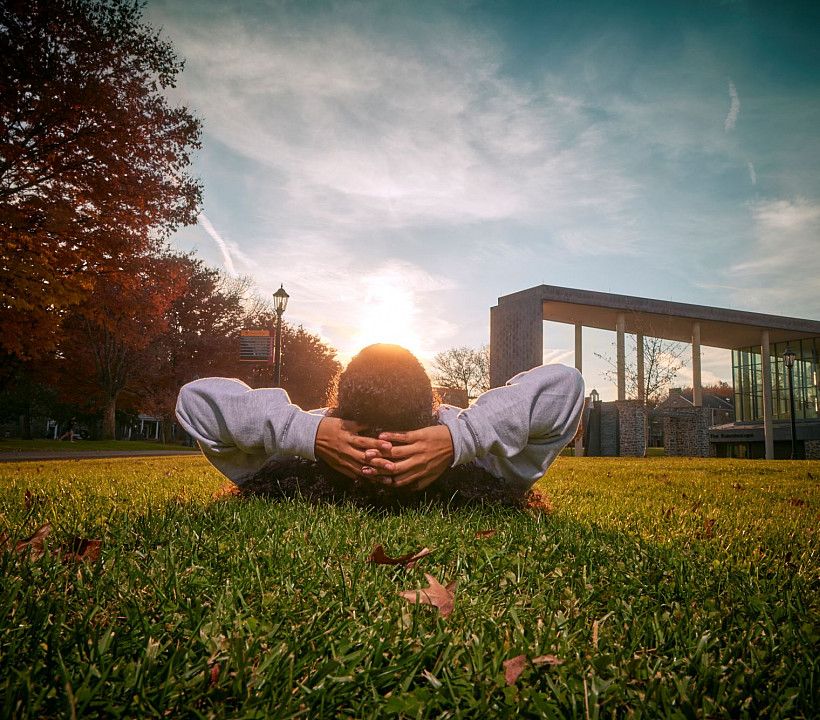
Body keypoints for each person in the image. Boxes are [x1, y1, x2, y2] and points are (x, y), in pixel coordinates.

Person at [175, 344, 584, 505]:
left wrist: (459, 440)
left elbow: (565, 387)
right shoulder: (311, 439)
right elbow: (196, 400)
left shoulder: (466, 445)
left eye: (403, 441)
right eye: (363, 439)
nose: (382, 457)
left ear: (430, 424)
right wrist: (308, 435)